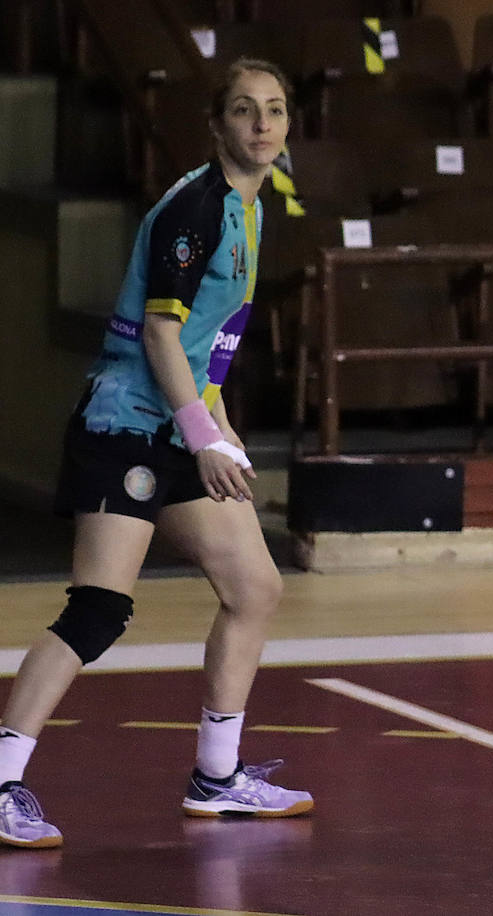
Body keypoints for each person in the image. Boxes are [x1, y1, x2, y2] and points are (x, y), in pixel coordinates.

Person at [0, 58, 313, 850]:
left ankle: (217, 778)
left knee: (255, 587)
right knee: (100, 609)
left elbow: (207, 346)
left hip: (180, 422)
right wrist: (203, 436)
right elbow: (161, 331)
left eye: (274, 110)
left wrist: (220, 426)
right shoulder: (197, 208)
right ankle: (2, 779)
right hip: (125, 429)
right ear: (218, 126)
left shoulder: (252, 206)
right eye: (245, 110)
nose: (262, 124)